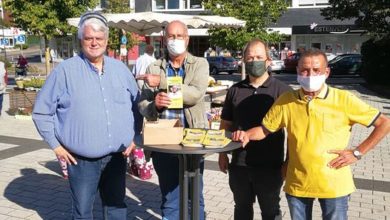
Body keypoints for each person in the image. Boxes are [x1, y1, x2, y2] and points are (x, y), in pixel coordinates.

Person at [232, 49, 390, 220]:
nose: (310, 74)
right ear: (297, 71)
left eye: (316, 70)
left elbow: (384, 123)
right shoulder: (286, 100)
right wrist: (246, 135)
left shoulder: (344, 99)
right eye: (305, 70)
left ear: (326, 72)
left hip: (334, 185)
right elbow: (264, 129)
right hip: (298, 183)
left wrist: (357, 152)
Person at [32, 11, 142, 219]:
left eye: (99, 38)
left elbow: (138, 106)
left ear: (106, 40)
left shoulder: (121, 70)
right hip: (81, 161)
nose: (94, 43)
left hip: (118, 157)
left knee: (116, 207)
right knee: (83, 212)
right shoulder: (64, 71)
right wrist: (56, 146)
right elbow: (41, 112)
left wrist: (136, 137)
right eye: (88, 38)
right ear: (80, 40)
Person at [138, 20, 209, 220]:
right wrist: (155, 106)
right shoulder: (154, 67)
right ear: (164, 39)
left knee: (195, 197)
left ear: (187, 39)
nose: (175, 40)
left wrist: (161, 82)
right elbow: (142, 104)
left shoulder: (200, 64)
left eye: (179, 36)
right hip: (164, 143)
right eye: (171, 36)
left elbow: (195, 94)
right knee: (170, 199)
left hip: (192, 142)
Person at [218, 39, 291, 220]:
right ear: (243, 60)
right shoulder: (235, 90)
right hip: (239, 165)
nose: (254, 61)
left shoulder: (283, 91)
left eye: (259, 57)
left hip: (270, 166)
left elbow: (293, 132)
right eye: (250, 57)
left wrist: (288, 163)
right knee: (241, 210)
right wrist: (221, 154)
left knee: (271, 212)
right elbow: (225, 123)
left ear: (268, 61)